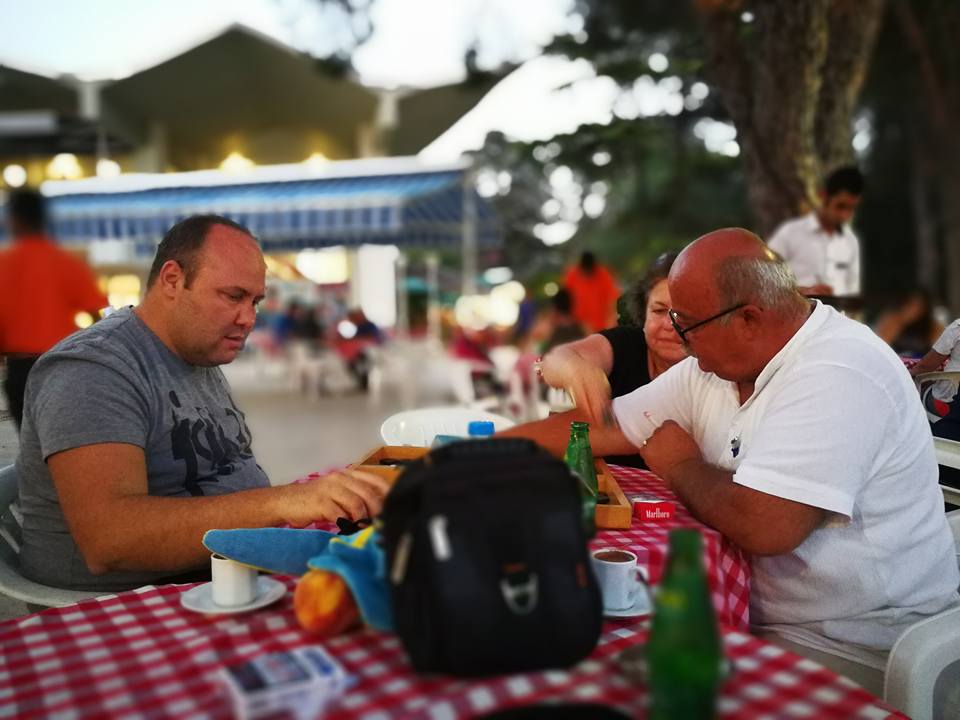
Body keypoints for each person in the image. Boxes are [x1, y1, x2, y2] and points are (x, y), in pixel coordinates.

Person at [517, 229, 959, 694]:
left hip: (860, 648)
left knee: (611, 679)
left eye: (687, 326)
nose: (681, 344)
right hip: (751, 612)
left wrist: (680, 464)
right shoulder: (722, 365)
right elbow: (601, 426)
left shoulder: (838, 369)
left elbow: (767, 528)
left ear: (747, 318)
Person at [16, 215, 389, 592]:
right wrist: (280, 503)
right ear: (173, 280)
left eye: (255, 301)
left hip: (230, 565)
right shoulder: (92, 370)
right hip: (130, 601)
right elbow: (110, 541)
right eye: (233, 296)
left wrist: (292, 504)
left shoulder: (196, 350)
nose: (248, 319)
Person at [0, 189, 108, 430]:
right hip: (62, 366)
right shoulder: (66, 262)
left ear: (14, 219)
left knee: (30, 446)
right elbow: (97, 317)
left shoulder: (4, 264)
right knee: (65, 439)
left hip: (21, 372)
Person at [767, 166, 864, 297]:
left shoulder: (850, 241)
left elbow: (851, 293)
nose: (844, 215)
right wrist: (803, 292)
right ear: (823, 195)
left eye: (851, 208)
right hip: (798, 314)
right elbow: (763, 280)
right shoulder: (790, 233)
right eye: (840, 206)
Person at [563, 251, 620, 333]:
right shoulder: (571, 275)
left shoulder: (603, 274)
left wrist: (610, 323)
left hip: (603, 326)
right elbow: (566, 301)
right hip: (579, 326)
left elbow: (612, 301)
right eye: (584, 272)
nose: (587, 275)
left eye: (589, 272)